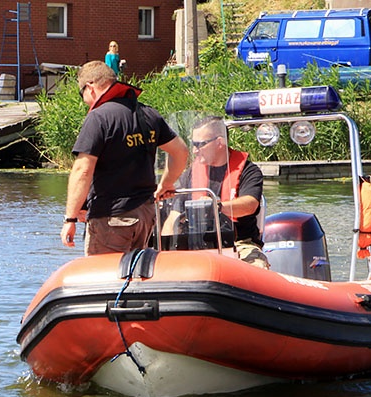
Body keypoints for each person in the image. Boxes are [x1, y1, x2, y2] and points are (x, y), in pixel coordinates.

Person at [61, 61, 189, 256]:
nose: (85, 101)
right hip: (145, 215)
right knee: (135, 277)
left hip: (112, 217)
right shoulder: (148, 114)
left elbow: (83, 170)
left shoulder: (99, 118)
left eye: (82, 94)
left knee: (105, 279)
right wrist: (166, 184)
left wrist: (70, 219)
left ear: (90, 87)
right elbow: (180, 151)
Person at [172, 116, 270, 268]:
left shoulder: (249, 171)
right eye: (193, 144)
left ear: (219, 143)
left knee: (258, 265)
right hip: (196, 243)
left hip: (239, 243)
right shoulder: (190, 175)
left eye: (200, 145)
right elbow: (174, 215)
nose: (194, 150)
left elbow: (250, 204)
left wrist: (217, 207)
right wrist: (166, 246)